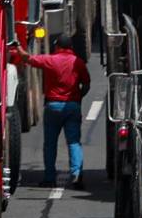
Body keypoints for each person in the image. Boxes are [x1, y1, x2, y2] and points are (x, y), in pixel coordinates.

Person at [20, 34, 91, 189]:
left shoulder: (50, 60)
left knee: (50, 144)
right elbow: (86, 83)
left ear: (57, 46)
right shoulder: (77, 62)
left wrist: (18, 47)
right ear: (70, 47)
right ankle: (77, 173)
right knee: (73, 142)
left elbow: (29, 59)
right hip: (72, 106)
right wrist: (77, 98)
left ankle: (49, 177)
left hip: (53, 106)